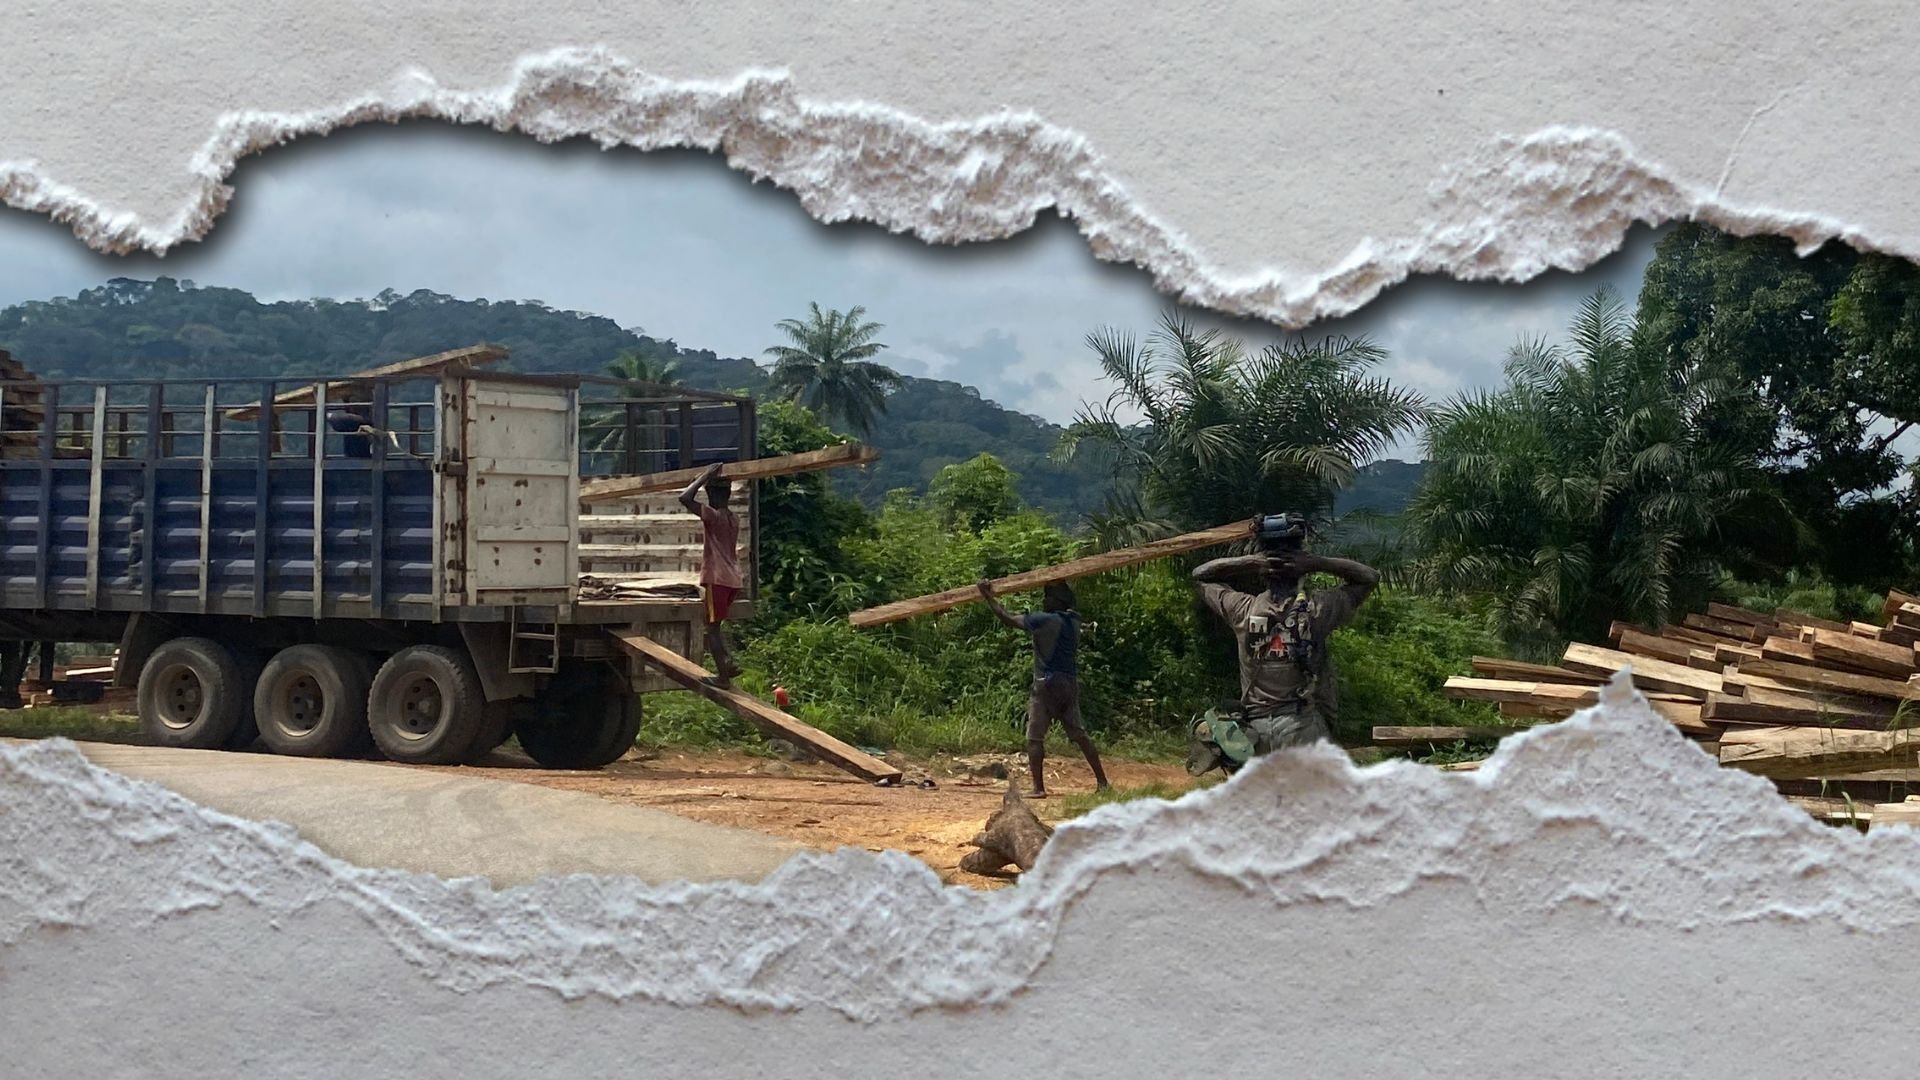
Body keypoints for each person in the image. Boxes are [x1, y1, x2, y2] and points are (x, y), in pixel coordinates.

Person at [1187, 537, 1379, 773]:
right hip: (1303, 727)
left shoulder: (1243, 609)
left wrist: (1254, 561)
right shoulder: (1316, 610)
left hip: (1255, 735)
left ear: (1264, 576)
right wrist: (1314, 562)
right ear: (1301, 575)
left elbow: (1200, 575)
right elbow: (1369, 577)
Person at [976, 577, 1111, 798]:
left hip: (1046, 684)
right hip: (1069, 683)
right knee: (1079, 734)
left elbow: (1007, 618)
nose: (1045, 600)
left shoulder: (1043, 620)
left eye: (1048, 596)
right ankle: (1102, 782)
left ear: (1056, 601)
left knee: (1035, 737)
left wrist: (988, 596)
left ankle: (1038, 788)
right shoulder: (1074, 622)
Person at [679, 461, 743, 688]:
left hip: (717, 578)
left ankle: (723, 678)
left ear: (711, 495)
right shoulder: (734, 518)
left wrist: (704, 475)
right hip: (733, 579)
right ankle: (728, 662)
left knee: (712, 628)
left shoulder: (713, 516)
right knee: (716, 625)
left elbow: (685, 498)